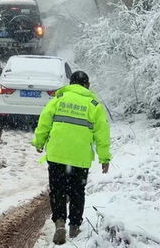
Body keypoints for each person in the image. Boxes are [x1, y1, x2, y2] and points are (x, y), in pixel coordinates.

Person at [32, 71, 111, 245]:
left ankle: (60, 222)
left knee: (57, 190)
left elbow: (44, 122)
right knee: (77, 192)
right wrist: (104, 158)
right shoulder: (94, 105)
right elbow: (102, 134)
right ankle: (75, 225)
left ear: (71, 83)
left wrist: (39, 141)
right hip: (79, 158)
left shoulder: (58, 100)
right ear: (87, 85)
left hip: (57, 154)